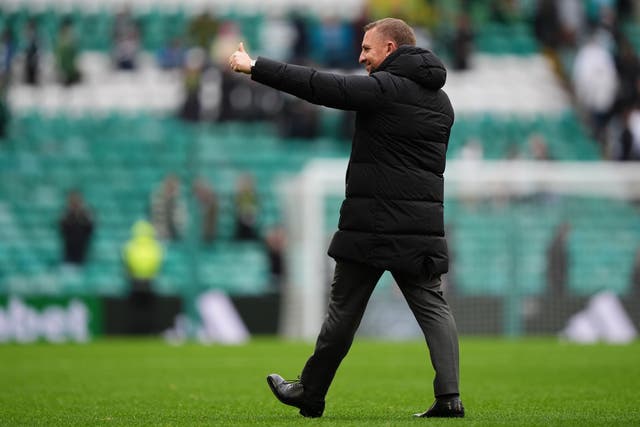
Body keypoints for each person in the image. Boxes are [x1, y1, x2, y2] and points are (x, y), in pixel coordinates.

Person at [229, 17, 462, 418]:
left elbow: (325, 86)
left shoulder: (387, 89)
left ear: (391, 49)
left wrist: (257, 67)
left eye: (367, 49)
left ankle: (310, 392)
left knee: (343, 311)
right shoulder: (442, 103)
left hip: (372, 224)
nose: (361, 56)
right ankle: (449, 398)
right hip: (420, 226)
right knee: (433, 306)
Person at [59, 190, 95, 266]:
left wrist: (81, 215)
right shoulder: (66, 216)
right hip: (68, 257)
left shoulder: (86, 217)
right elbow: (63, 229)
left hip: (84, 257)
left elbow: (90, 229)